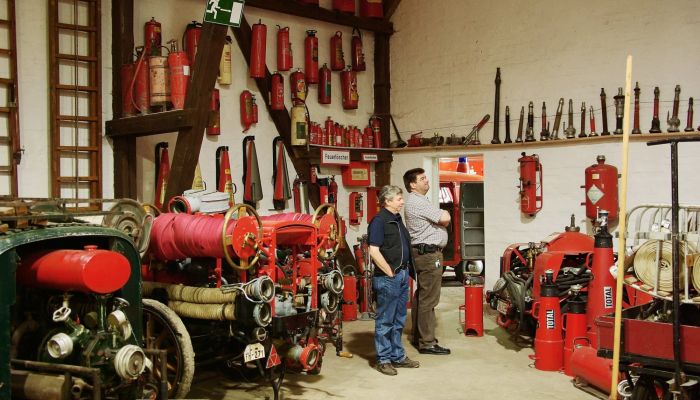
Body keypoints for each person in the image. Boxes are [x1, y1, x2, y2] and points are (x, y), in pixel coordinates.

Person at [367, 185, 421, 375]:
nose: (402, 201)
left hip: (402, 276)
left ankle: (397, 356)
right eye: (399, 198)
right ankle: (384, 359)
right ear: (387, 201)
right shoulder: (379, 221)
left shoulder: (396, 220)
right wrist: (389, 272)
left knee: (399, 320)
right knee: (385, 321)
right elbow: (373, 250)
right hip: (389, 278)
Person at [403, 168, 451, 355]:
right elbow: (444, 218)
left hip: (426, 253)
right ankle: (427, 342)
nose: (426, 181)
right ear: (412, 184)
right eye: (422, 179)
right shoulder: (417, 202)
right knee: (429, 299)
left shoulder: (421, 201)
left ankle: (419, 336)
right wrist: (442, 215)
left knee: (422, 296)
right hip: (429, 255)